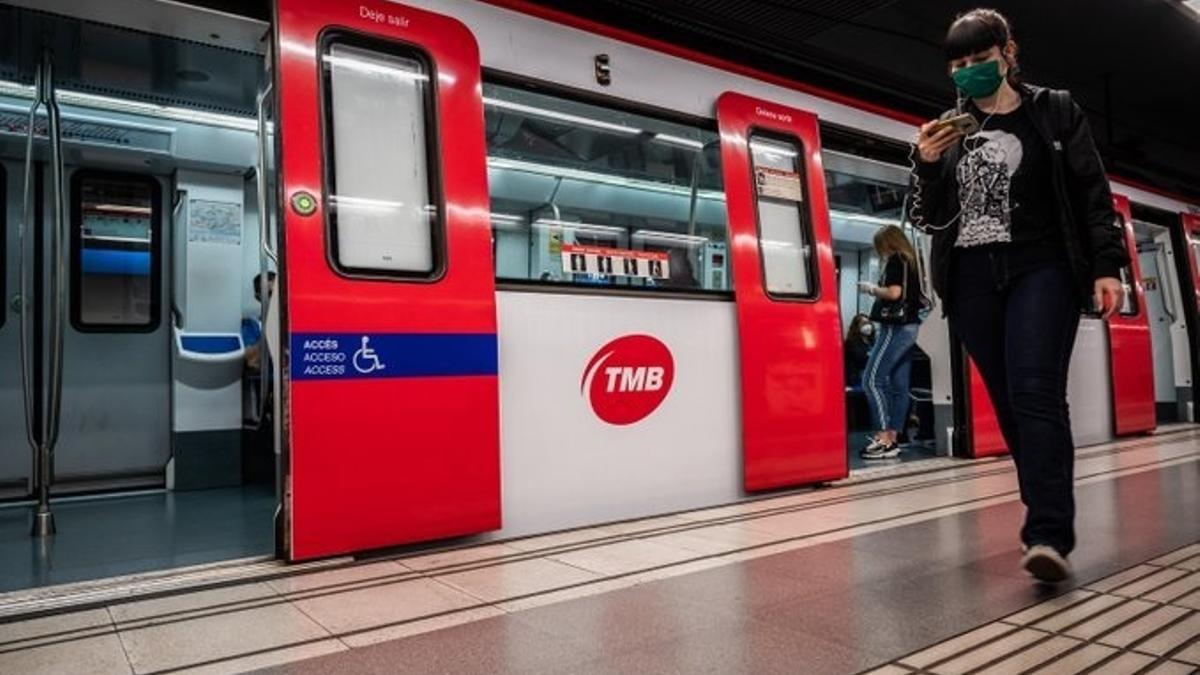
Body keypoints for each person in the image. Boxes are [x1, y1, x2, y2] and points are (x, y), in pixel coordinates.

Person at [912, 9, 1128, 582]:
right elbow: (934, 219)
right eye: (958, 65)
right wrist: (928, 165)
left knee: (1036, 391)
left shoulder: (1054, 111)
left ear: (1008, 53)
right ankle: (1044, 515)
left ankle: (1048, 534)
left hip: (1043, 266)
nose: (968, 72)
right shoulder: (950, 131)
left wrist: (1107, 264)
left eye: (979, 60)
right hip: (972, 276)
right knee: (1010, 404)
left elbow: (1090, 189)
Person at [858, 226, 924, 461]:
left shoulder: (896, 260)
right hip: (911, 328)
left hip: (894, 327)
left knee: (871, 380)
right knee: (899, 387)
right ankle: (894, 438)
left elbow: (894, 293)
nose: (881, 252)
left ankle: (884, 437)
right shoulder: (913, 262)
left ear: (888, 243)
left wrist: (872, 289)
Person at [843, 313, 874, 388]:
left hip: (869, 374)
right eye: (864, 323)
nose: (868, 326)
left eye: (869, 323)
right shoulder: (851, 342)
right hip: (857, 376)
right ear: (856, 326)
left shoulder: (872, 341)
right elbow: (861, 359)